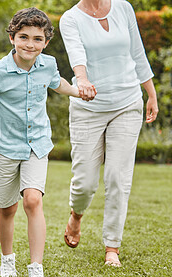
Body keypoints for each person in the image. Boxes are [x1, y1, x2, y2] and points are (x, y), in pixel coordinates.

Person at [0, 7, 95, 277]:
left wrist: (78, 92)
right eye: (24, 37)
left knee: (33, 200)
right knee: (8, 208)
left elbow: (57, 84)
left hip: (37, 144)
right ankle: (7, 259)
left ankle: (36, 267)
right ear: (12, 37)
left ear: (46, 42)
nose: (30, 44)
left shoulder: (47, 64)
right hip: (5, 148)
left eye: (38, 39)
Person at [59, 0, 158, 267]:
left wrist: (150, 92)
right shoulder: (70, 19)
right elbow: (76, 55)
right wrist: (81, 79)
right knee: (85, 182)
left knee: (118, 177)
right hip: (88, 107)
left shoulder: (123, 7)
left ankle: (112, 246)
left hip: (127, 103)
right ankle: (76, 215)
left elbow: (137, 52)